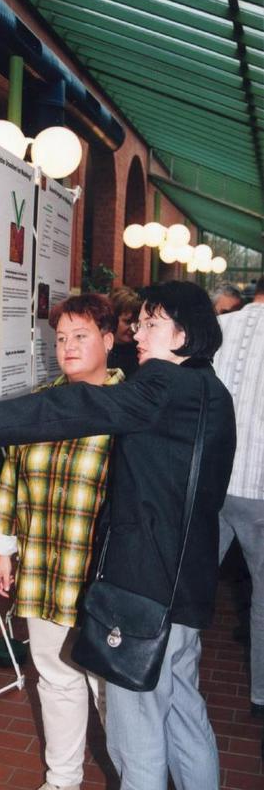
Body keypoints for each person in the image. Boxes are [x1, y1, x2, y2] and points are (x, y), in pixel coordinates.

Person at [0, 281, 236, 790]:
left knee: (137, 742)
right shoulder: (210, 390)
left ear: (184, 335)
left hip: (145, 590)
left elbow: (72, 409)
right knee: (183, 715)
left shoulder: (160, 387)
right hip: (185, 587)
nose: (138, 332)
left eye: (151, 324)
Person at [0, 293, 123, 790]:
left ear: (108, 341)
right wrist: (3, 546)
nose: (67, 346)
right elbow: (12, 475)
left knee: (112, 689)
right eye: (61, 337)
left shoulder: (128, 407)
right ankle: (62, 780)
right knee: (55, 678)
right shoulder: (40, 404)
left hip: (102, 578)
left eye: (81, 335)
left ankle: (136, 777)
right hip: (46, 567)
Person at [214, 275, 264, 719]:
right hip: (261, 490)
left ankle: (165, 664)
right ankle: (260, 696)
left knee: (187, 580)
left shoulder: (220, 329)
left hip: (213, 482)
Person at [107, 286, 141, 377]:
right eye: (127, 322)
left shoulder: (140, 351)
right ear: (112, 318)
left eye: (136, 322)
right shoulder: (100, 350)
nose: (132, 328)